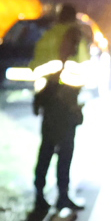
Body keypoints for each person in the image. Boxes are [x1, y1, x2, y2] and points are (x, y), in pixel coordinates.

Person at [32, 72, 83, 209]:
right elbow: (78, 118)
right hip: (62, 134)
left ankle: (44, 196)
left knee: (46, 163)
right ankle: (60, 197)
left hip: (52, 134)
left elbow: (36, 110)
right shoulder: (68, 92)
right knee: (60, 165)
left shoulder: (46, 93)